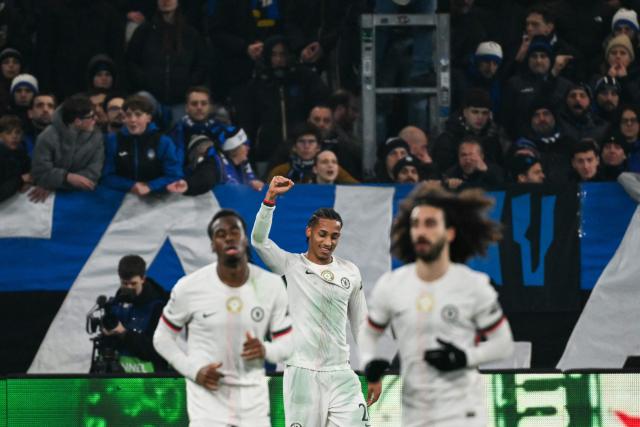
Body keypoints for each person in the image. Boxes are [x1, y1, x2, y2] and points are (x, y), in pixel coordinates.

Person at [359, 183, 514, 427]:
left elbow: (503, 344)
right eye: (416, 224)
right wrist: (369, 362)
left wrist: (464, 358)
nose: (421, 231)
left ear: (449, 232)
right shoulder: (391, 286)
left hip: (463, 414)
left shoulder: (473, 286)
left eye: (430, 224)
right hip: (413, 414)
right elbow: (369, 333)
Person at [154, 209, 293, 426]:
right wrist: (194, 371)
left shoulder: (272, 286)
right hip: (207, 409)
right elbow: (161, 338)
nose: (228, 237)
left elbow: (288, 343)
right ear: (212, 245)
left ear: (245, 239)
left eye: (234, 231)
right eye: (220, 234)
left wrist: (266, 350)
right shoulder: (189, 287)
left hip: (253, 409)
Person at [251, 176, 370, 427]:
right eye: (323, 234)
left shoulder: (350, 272)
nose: (328, 242)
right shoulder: (290, 265)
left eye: (335, 236)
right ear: (309, 231)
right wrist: (269, 200)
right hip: (301, 373)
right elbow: (259, 241)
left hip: (341, 373)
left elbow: (361, 324)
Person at [100, 255, 169, 373]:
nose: (129, 287)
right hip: (118, 375)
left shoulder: (158, 306)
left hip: (149, 378)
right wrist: (107, 334)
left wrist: (123, 333)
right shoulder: (117, 302)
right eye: (124, 283)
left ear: (143, 279)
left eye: (133, 283)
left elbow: (156, 349)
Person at [101, 95, 182, 196]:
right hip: (122, 194)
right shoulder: (113, 140)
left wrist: (150, 186)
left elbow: (174, 175)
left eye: (138, 115)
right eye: (128, 115)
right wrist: (131, 185)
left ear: (148, 118)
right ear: (124, 118)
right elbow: (106, 176)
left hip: (155, 196)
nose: (133, 120)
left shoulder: (163, 142)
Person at [30, 94, 104, 202]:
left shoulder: (97, 136)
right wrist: (67, 177)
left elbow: (93, 175)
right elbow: (40, 173)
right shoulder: (46, 137)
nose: (96, 119)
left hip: (81, 198)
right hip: (49, 201)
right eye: (91, 117)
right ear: (78, 121)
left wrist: (53, 184)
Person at [0, 114, 30, 202]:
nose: (14, 136)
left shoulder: (21, 151)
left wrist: (28, 181)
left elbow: (30, 170)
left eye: (18, 132)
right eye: (8, 132)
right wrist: (21, 180)